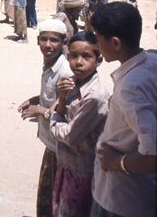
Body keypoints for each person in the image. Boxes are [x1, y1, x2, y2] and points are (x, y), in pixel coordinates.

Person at [90, 2, 157, 217]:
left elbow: (152, 155)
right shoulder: (151, 61)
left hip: (122, 198)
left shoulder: (132, 87)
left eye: (98, 37)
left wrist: (116, 163)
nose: (96, 43)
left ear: (116, 43)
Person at [50, 31, 109, 217]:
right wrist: (60, 97)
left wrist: (52, 121)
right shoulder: (72, 82)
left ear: (98, 60)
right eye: (74, 56)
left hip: (83, 170)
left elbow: (70, 135)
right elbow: (58, 107)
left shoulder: (95, 96)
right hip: (66, 164)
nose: (79, 62)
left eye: (86, 56)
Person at [18, 19, 71, 217]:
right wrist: (35, 100)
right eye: (44, 39)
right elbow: (52, 97)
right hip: (51, 144)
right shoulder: (50, 64)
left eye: (54, 41)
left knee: (56, 200)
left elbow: (62, 111)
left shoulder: (64, 71)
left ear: (64, 42)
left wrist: (39, 110)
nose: (48, 45)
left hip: (62, 148)